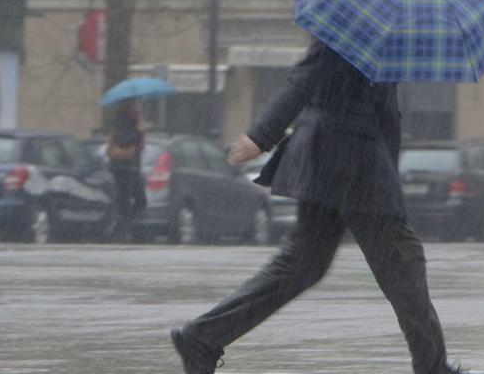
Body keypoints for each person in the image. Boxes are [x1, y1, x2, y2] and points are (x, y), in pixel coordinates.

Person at [170, 39, 462, 374]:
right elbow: (304, 79)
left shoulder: (381, 30)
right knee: (402, 261)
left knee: (303, 265)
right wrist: (261, 135)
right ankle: (433, 367)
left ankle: (203, 337)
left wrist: (388, 174)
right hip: (350, 162)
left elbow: (385, 112)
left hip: (342, 161)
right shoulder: (353, 21)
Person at [106, 99, 147, 242]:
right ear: (129, 108)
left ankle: (120, 228)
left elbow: (139, 148)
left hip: (133, 168)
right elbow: (125, 140)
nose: (138, 108)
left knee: (140, 200)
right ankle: (120, 232)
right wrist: (138, 132)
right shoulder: (122, 122)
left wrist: (141, 133)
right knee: (124, 201)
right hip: (122, 168)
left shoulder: (135, 122)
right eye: (136, 105)